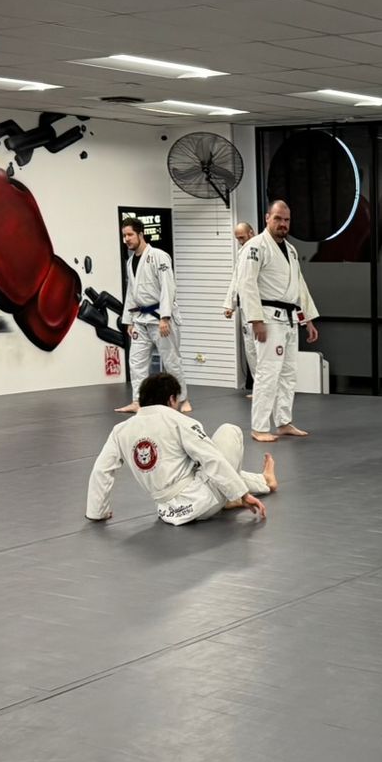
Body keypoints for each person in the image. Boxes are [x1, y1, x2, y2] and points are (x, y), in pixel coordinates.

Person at [86, 372, 274, 525]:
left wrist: (97, 512)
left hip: (167, 511)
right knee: (229, 431)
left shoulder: (120, 430)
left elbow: (101, 470)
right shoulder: (179, 421)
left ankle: (263, 480)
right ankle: (235, 495)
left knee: (200, 466)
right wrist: (243, 495)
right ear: (171, 399)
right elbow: (212, 459)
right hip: (202, 503)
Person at [237, 198, 320, 443]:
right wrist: (255, 320)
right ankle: (260, 426)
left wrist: (308, 320)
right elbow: (247, 285)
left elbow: (299, 288)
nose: (283, 224)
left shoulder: (291, 250)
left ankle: (284, 422)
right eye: (278, 219)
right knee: (267, 373)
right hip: (268, 319)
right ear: (267, 218)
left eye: (286, 220)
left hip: (290, 318)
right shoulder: (255, 247)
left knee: (288, 373)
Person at [115, 218, 189, 415]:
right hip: (140, 318)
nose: (126, 239)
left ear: (141, 234)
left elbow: (168, 286)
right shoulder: (131, 262)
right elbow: (131, 291)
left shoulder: (159, 256)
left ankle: (182, 399)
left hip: (159, 317)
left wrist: (165, 317)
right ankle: (137, 401)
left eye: (130, 235)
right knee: (136, 361)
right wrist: (128, 320)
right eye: (124, 236)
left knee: (171, 360)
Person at [221, 220, 258, 389]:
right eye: (238, 239)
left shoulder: (259, 249)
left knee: (261, 350)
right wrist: (230, 305)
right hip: (245, 309)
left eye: (242, 237)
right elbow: (236, 280)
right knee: (250, 349)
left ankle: (266, 390)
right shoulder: (243, 253)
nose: (240, 241)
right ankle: (258, 387)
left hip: (260, 308)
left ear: (251, 233)